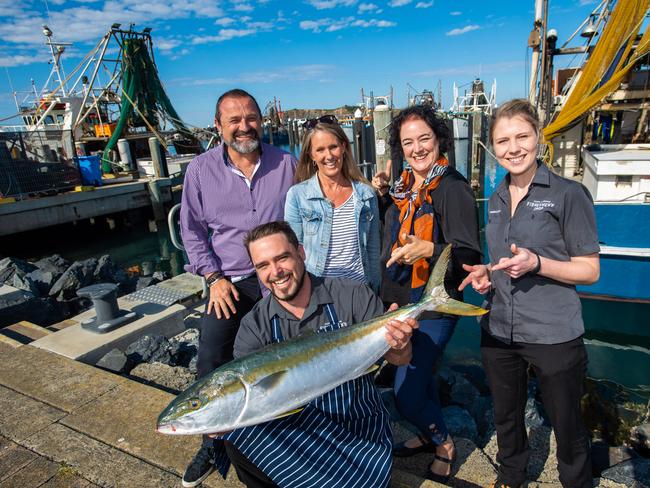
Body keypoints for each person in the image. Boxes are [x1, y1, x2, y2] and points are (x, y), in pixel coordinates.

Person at [206, 221, 418, 488]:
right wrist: (222, 416)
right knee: (237, 440)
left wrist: (400, 345)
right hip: (299, 429)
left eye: (282, 258)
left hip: (357, 429)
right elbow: (249, 397)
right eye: (263, 266)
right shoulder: (254, 325)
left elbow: (400, 360)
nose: (276, 272)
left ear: (301, 253)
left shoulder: (351, 295)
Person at [459, 99, 600, 488]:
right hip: (499, 327)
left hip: (553, 333)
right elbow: (504, 258)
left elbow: (590, 270)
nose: (514, 148)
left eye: (522, 136)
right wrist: (487, 272)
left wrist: (538, 263)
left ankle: (576, 482)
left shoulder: (568, 194)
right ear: (492, 146)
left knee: (568, 425)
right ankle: (511, 476)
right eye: (503, 140)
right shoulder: (496, 197)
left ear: (538, 137)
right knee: (506, 416)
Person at [179, 89, 296, 487]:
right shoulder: (199, 171)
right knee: (211, 356)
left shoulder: (287, 164)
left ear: (261, 122)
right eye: (235, 120)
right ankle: (213, 442)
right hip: (230, 280)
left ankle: (283, 438)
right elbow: (192, 232)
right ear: (219, 126)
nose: (244, 126)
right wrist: (213, 278)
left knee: (283, 360)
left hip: (279, 279)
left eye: (251, 118)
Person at [371, 104, 481, 483]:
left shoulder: (453, 187)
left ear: (439, 140)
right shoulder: (403, 187)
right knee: (420, 379)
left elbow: (469, 254)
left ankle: (444, 443)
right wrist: (384, 197)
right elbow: (396, 234)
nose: (417, 149)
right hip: (401, 303)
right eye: (408, 142)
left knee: (406, 391)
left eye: (424, 139)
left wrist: (431, 249)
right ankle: (426, 432)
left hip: (434, 305)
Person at [284, 116, 380, 292]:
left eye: (333, 147)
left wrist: (376, 291)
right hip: (319, 292)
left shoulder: (366, 194)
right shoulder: (297, 196)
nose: (328, 156)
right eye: (320, 150)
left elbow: (373, 251)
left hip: (361, 292)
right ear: (311, 155)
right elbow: (293, 252)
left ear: (343, 147)